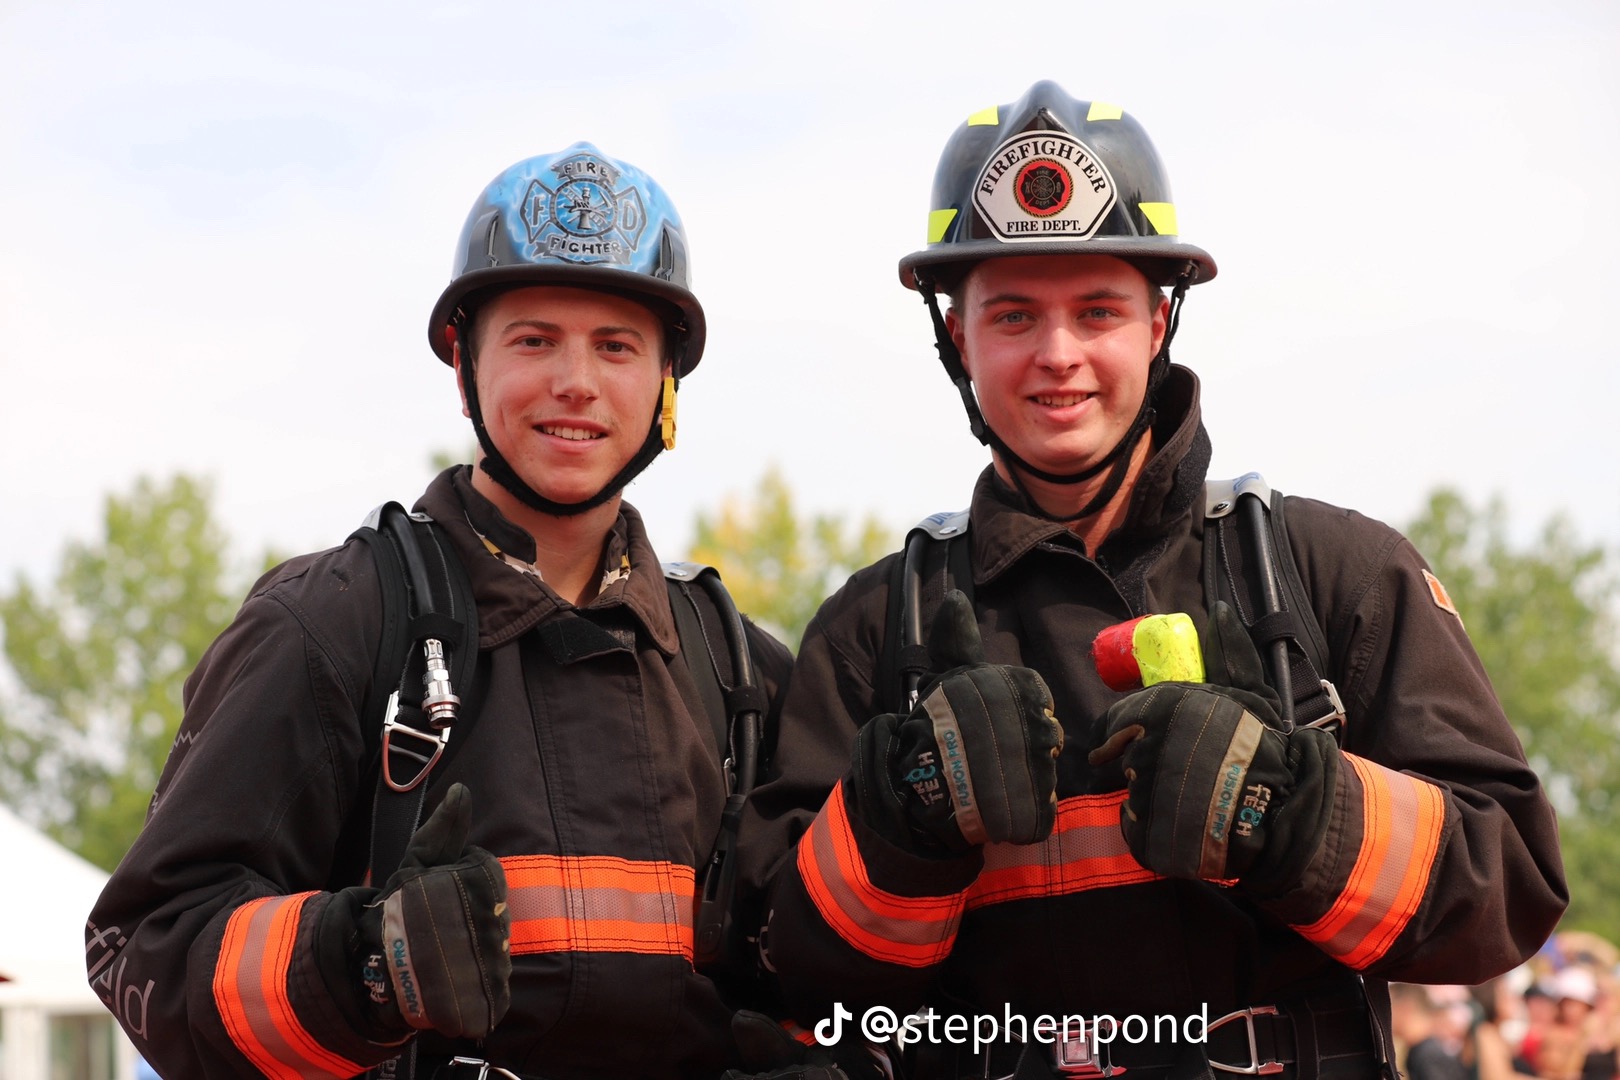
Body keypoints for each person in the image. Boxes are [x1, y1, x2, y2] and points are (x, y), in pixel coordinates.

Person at [737, 80, 1567, 1079]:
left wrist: (1297, 815)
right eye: (1012, 315)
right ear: (957, 337)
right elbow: (796, 986)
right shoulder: (877, 629)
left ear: (1161, 321)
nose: (1057, 356)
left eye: (1098, 310)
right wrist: (904, 819)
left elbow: (1508, 894)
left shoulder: (1329, 572)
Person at [86, 143, 791, 1079]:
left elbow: (828, 971)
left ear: (667, 379)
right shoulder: (331, 624)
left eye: (616, 346)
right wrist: (359, 966)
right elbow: (146, 941)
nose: (575, 381)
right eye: (533, 339)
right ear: (464, 360)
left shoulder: (740, 671)